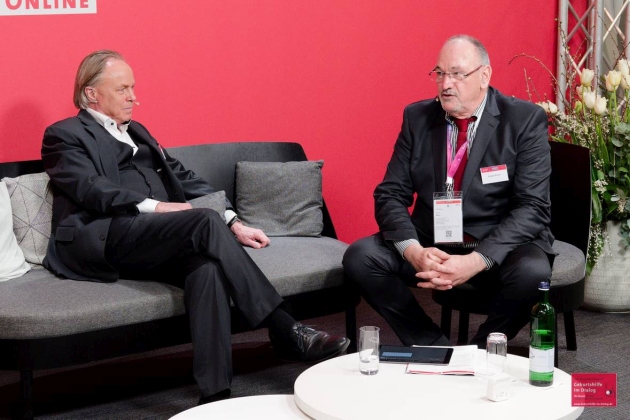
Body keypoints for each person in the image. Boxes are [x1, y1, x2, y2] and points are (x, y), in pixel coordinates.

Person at [41, 50, 349, 405]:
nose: (134, 97)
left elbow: (182, 176)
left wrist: (233, 220)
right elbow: (90, 188)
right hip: (108, 235)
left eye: (133, 87)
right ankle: (284, 328)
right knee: (202, 218)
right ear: (91, 93)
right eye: (123, 89)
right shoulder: (63, 134)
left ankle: (214, 395)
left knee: (206, 269)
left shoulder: (138, 131)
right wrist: (158, 207)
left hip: (156, 238)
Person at [343, 35, 554, 348]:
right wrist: (414, 252)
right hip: (432, 242)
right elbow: (390, 193)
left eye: (457, 74)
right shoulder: (417, 118)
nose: (445, 84)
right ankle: (432, 344)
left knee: (533, 273)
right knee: (361, 257)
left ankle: (480, 352)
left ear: (484, 75)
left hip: (495, 242)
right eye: (440, 73)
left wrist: (476, 260)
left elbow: (532, 206)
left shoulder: (523, 120)